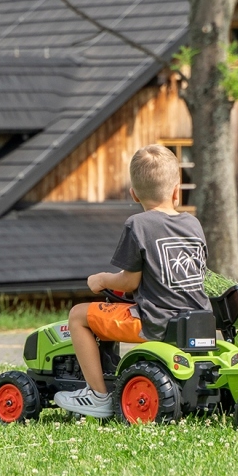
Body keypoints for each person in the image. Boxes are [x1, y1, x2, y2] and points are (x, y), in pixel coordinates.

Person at [54, 144, 210, 418]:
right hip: (198, 319)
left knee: (78, 315)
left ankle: (98, 395)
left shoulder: (138, 224)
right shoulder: (193, 224)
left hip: (155, 321)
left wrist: (101, 279)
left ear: (134, 194)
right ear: (177, 190)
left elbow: (128, 282)